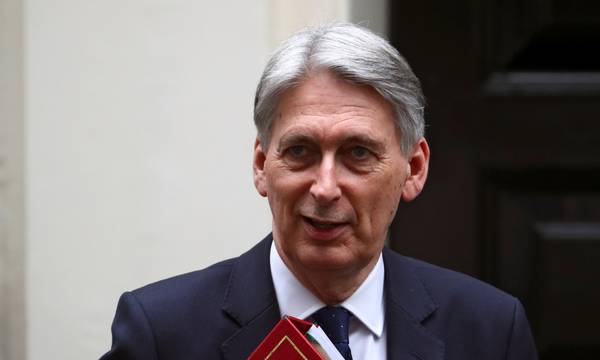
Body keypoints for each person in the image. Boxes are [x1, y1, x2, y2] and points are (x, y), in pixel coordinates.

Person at [101, 23, 537, 360]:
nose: (325, 188)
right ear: (260, 165)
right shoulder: (162, 332)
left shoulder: (490, 330)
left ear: (414, 169)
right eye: (300, 151)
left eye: (359, 153)